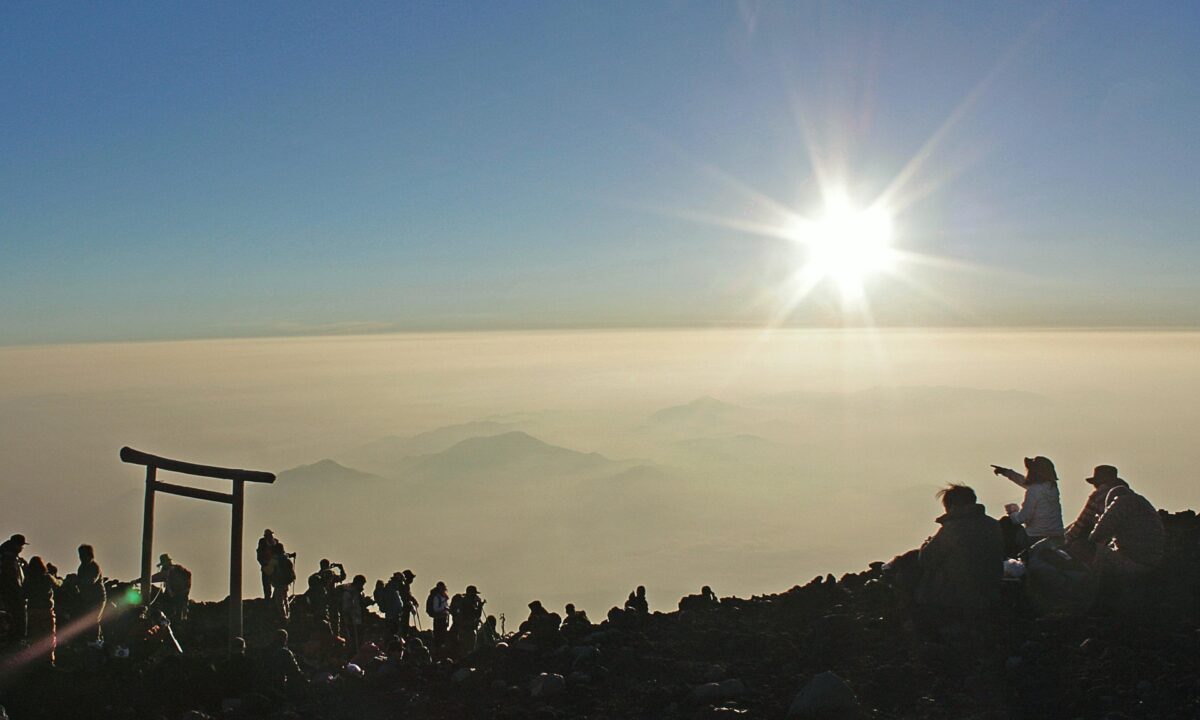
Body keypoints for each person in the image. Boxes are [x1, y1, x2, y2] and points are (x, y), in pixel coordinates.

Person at [914, 484, 1004, 643]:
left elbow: (926, 559)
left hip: (958, 596)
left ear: (953, 507)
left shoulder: (952, 529)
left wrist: (926, 545)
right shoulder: (993, 525)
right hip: (991, 589)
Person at [1089, 484, 1165, 579]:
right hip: (1151, 562)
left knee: (1091, 549)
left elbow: (1097, 535)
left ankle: (1088, 590)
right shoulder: (1144, 506)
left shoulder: (1121, 502)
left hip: (1133, 562)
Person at [993, 456, 1064, 555]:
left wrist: (1012, 511)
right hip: (1057, 535)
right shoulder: (1052, 488)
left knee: (1005, 523)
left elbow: (1021, 519)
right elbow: (1026, 483)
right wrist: (1007, 473)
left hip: (1035, 537)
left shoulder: (1034, 490)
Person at [1063, 465, 1129, 559]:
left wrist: (1067, 539)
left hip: (1101, 541)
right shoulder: (1126, 494)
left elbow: (1082, 522)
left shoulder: (1097, 496)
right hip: (1120, 541)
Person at [24, 556, 60, 665]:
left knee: (35, 636)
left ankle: (35, 659)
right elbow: (58, 584)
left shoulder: (28, 579)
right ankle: (49, 660)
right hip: (46, 610)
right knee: (49, 636)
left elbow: (24, 593)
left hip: (32, 610)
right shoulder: (47, 578)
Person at [0, 534, 29, 643]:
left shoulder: (9, 557)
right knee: (16, 618)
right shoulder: (9, 559)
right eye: (21, 546)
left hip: (12, 593)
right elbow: (12, 579)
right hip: (12, 594)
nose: (22, 548)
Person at [76, 544, 106, 643]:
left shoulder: (94, 566)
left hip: (98, 598)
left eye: (83, 555)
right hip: (87, 599)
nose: (81, 557)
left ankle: (96, 641)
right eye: (80, 555)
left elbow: (91, 580)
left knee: (94, 620)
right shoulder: (81, 567)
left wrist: (77, 581)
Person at [150, 553, 192, 624]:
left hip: (175, 598)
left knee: (172, 614)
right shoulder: (178, 570)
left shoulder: (170, 571)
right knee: (178, 615)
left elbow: (156, 577)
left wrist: (139, 580)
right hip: (179, 598)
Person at [305, 559, 346, 628]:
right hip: (330, 599)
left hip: (319, 600)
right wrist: (341, 568)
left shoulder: (316, 575)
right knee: (334, 619)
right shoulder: (330, 574)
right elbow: (342, 577)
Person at [449, 585, 485, 654]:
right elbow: (477, 615)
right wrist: (480, 605)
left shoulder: (463, 601)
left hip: (461, 629)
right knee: (469, 649)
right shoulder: (469, 603)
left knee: (463, 649)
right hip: (468, 629)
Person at [267, 543, 296, 621]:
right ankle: (288, 615)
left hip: (279, 582)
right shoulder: (285, 558)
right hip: (286, 581)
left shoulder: (274, 559)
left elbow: (269, 571)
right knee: (285, 599)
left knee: (279, 600)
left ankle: (283, 617)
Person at [339, 574, 370, 650]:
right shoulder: (349, 592)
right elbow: (347, 607)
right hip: (351, 621)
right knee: (353, 641)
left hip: (357, 620)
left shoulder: (356, 592)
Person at [425, 581, 450, 650]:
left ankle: (440, 647)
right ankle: (439, 647)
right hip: (439, 618)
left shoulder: (441, 596)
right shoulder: (437, 597)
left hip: (442, 618)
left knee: (441, 634)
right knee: (439, 634)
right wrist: (444, 608)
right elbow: (436, 609)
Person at [256, 529, 279, 601]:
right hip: (266, 566)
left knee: (277, 583)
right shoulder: (262, 542)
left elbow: (280, 552)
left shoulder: (276, 542)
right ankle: (267, 599)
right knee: (266, 585)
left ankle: (275, 598)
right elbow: (259, 555)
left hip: (275, 566)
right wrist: (264, 564)